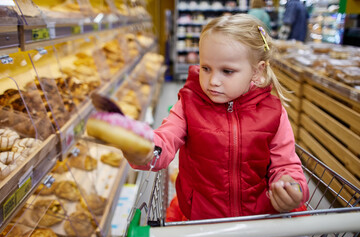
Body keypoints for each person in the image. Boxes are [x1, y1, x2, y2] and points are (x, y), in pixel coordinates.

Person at [127, 14, 309, 221]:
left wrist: (291, 186)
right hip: (203, 219)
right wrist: (142, 148)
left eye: (227, 71)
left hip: (259, 218)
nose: (213, 81)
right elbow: (165, 141)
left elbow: (286, 164)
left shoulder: (273, 112)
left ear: (257, 71)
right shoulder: (188, 105)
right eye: (206, 68)